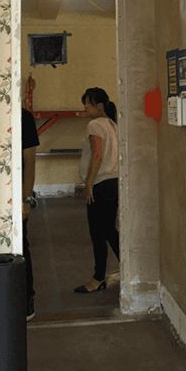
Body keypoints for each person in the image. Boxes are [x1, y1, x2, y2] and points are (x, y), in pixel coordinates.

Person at [75, 88, 120, 294]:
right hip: (113, 183)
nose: (86, 107)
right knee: (109, 230)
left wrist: (88, 183)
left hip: (100, 184)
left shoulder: (95, 125)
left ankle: (98, 278)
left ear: (99, 106)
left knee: (98, 233)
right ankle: (129, 267)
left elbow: (98, 155)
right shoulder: (112, 124)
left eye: (89, 103)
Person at [22, 108, 39, 320]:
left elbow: (30, 162)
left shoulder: (24, 117)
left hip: (16, 197)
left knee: (21, 245)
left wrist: (26, 199)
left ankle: (27, 298)